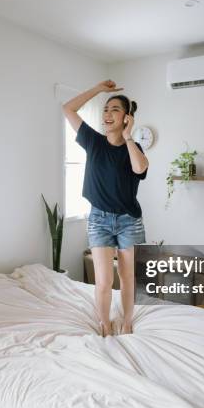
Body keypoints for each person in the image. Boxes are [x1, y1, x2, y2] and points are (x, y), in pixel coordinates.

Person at [63, 80, 149, 336]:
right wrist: (99, 90)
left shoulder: (134, 148)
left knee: (127, 278)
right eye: (105, 109)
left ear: (127, 118)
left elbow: (140, 168)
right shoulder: (93, 142)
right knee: (103, 281)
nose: (107, 114)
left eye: (114, 110)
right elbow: (68, 109)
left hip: (129, 221)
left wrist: (128, 137)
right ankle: (103, 323)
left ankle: (128, 320)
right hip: (99, 220)